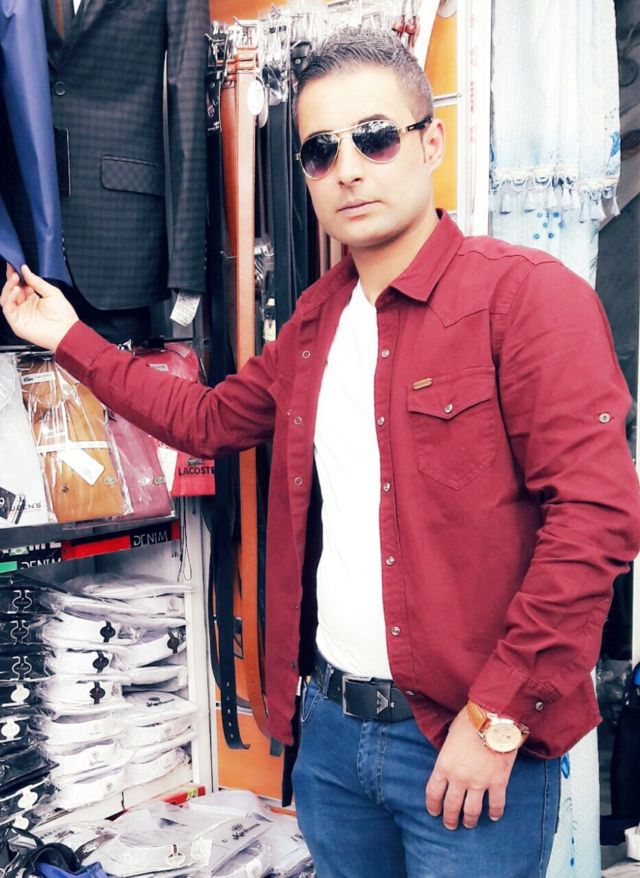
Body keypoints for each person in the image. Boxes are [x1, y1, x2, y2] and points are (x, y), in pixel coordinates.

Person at [2, 28, 640, 878]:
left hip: (465, 740)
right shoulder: (316, 322)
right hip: (334, 739)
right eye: (320, 150)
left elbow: (595, 521)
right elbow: (206, 420)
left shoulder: (524, 298)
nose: (348, 169)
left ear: (431, 143)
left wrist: (498, 720)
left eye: (375, 137)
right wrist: (67, 337)